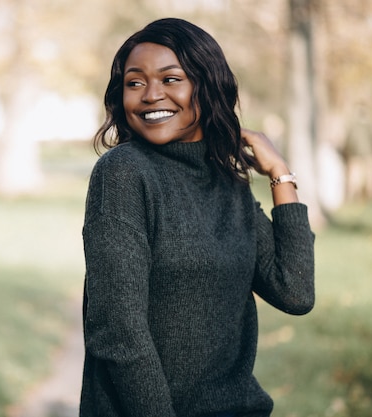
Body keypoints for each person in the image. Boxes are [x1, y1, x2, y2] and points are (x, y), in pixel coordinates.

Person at [80, 18, 315, 417]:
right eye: (134, 83)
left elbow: (295, 291)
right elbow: (118, 333)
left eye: (171, 79)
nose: (151, 95)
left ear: (207, 87)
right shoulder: (124, 173)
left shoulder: (226, 180)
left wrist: (280, 174)